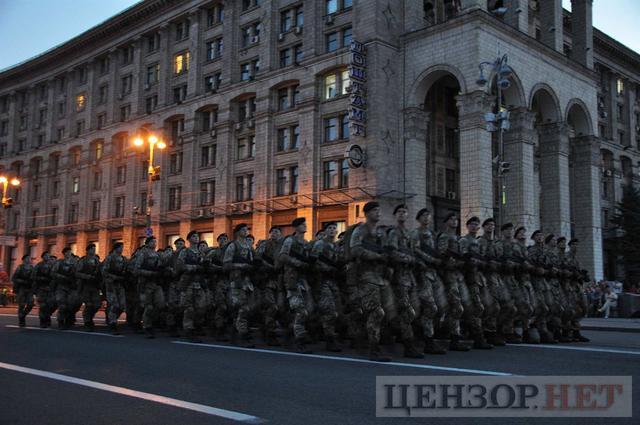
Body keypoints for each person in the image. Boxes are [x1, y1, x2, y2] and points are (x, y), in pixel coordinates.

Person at [347, 202, 393, 361]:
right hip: (365, 276)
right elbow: (355, 249)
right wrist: (376, 256)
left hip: (380, 277)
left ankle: (366, 339)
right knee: (376, 312)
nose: (378, 213)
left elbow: (387, 251)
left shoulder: (380, 233)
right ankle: (373, 348)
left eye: (379, 210)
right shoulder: (360, 230)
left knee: (387, 311)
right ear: (366, 213)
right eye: (375, 210)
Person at [410, 208, 448, 354]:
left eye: (428, 215)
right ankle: (428, 340)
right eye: (423, 216)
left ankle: (425, 331)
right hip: (423, 272)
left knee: (442, 305)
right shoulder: (416, 233)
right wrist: (431, 259)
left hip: (434, 273)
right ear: (418, 218)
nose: (426, 218)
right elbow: (416, 250)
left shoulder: (433, 234)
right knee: (430, 307)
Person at [387, 204, 423, 358]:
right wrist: (408, 258)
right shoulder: (393, 233)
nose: (402, 214)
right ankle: (408, 344)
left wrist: (416, 259)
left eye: (404, 212)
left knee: (415, 309)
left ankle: (393, 333)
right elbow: (392, 252)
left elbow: (416, 251)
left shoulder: (409, 233)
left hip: (410, 277)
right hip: (399, 276)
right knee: (406, 311)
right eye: (399, 211)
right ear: (395, 215)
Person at [436, 213, 473, 351]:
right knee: (456, 306)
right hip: (449, 275)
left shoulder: (457, 238)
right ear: (446, 222)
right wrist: (457, 262)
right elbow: (442, 254)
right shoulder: (445, 236)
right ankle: (454, 337)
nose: (455, 221)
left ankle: (449, 331)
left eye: (456, 219)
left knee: (464, 304)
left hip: (458, 275)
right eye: (451, 219)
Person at [478, 218, 517, 345]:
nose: (491, 227)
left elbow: (501, 259)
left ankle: (500, 329)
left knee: (508, 304)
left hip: (498, 277)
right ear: (483, 227)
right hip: (485, 278)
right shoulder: (480, 241)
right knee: (492, 306)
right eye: (488, 225)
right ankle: (490, 331)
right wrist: (487, 264)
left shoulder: (498, 243)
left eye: (493, 225)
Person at [279, 218, 313, 354]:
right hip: (292, 280)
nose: (305, 226)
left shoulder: (306, 243)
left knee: (308, 309)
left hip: (303, 280)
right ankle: (300, 341)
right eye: (302, 225)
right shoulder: (290, 241)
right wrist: (296, 262)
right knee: (301, 310)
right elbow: (282, 256)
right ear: (296, 227)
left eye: (305, 224)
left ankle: (288, 334)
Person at [310, 222, 342, 352]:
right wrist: (326, 268)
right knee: (329, 311)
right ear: (325, 230)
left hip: (333, 282)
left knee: (335, 311)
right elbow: (313, 262)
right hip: (322, 281)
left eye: (335, 228)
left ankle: (316, 330)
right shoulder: (319, 244)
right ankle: (329, 339)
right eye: (330, 228)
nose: (332, 230)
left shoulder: (335, 246)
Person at [224, 224, 257, 347]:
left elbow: (254, 261)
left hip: (247, 282)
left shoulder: (249, 246)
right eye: (243, 229)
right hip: (237, 281)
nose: (246, 231)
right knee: (243, 308)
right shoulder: (233, 245)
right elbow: (226, 264)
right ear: (238, 232)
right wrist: (240, 266)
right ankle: (243, 335)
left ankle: (234, 331)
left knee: (248, 308)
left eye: (247, 229)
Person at [177, 231, 209, 342]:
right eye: (194, 236)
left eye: (197, 236)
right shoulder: (185, 252)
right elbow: (179, 265)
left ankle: (196, 326)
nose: (196, 238)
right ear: (189, 239)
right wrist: (193, 267)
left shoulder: (201, 253)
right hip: (188, 283)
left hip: (199, 283)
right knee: (189, 308)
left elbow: (205, 266)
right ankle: (188, 330)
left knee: (201, 307)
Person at [255, 226, 284, 346]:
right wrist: (269, 266)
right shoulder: (264, 244)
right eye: (272, 232)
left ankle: (266, 328)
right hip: (267, 280)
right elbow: (258, 258)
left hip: (280, 281)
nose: (274, 234)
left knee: (279, 307)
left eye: (277, 232)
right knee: (272, 307)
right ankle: (269, 333)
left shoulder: (283, 246)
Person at [134, 236, 165, 338]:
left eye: (155, 242)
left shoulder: (156, 254)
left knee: (161, 304)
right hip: (146, 283)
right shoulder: (142, 253)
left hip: (156, 283)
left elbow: (160, 266)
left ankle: (151, 322)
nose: (154, 243)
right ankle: (147, 327)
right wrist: (149, 273)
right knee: (148, 307)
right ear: (147, 243)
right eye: (152, 242)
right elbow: (136, 270)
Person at [102, 242, 128, 334]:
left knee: (122, 305)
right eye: (120, 247)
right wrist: (113, 277)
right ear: (116, 248)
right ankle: (112, 323)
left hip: (120, 285)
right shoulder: (110, 258)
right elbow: (104, 271)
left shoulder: (123, 259)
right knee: (114, 304)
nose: (122, 249)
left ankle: (111, 319)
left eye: (122, 247)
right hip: (111, 284)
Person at [75, 244, 102, 331]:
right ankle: (87, 321)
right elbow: (77, 273)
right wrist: (87, 276)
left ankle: (89, 317)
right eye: (92, 249)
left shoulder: (96, 260)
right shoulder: (83, 260)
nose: (94, 251)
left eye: (94, 249)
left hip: (95, 286)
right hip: (85, 285)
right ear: (88, 250)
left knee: (97, 305)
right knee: (89, 304)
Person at [32, 252, 56, 328]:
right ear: (43, 257)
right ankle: (43, 321)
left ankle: (47, 317)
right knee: (43, 305)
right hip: (41, 288)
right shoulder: (39, 265)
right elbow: (33, 276)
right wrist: (41, 278)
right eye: (46, 256)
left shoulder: (52, 265)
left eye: (48, 256)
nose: (48, 257)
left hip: (50, 288)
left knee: (51, 304)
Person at [12, 254, 34, 327]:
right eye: (28, 258)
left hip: (30, 288)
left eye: (30, 258)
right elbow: (14, 278)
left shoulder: (32, 268)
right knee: (21, 305)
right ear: (24, 260)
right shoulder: (20, 267)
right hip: (22, 288)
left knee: (31, 304)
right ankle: (21, 321)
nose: (29, 260)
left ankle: (23, 315)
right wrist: (22, 281)